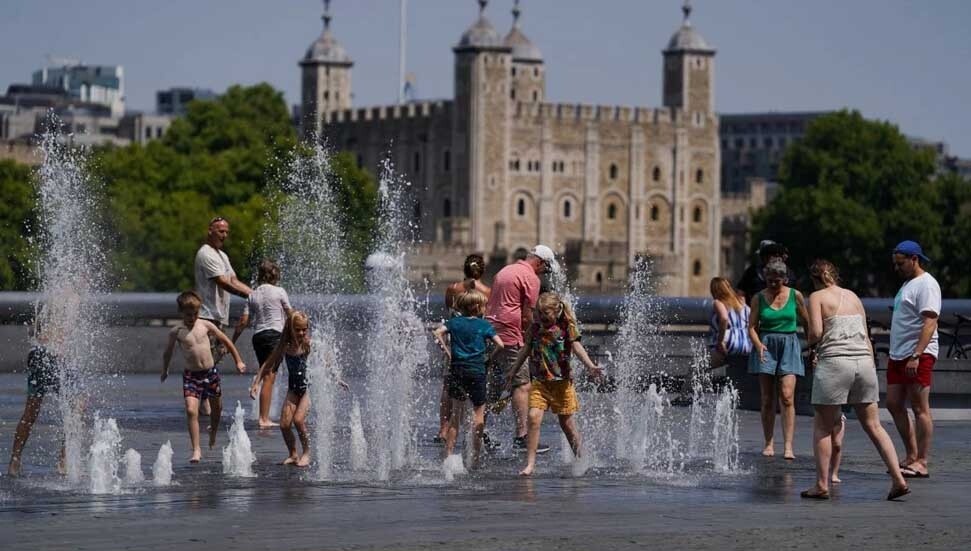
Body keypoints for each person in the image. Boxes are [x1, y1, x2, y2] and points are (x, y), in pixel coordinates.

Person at [801, 259, 910, 501]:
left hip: (835, 363)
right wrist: (869, 363)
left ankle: (821, 485)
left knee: (823, 426)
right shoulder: (853, 296)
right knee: (874, 425)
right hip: (864, 363)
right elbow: (866, 333)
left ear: (815, 279)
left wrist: (807, 343)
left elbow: (817, 333)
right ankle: (898, 479)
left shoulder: (817, 297)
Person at [508, 292, 604, 476]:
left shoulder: (567, 327)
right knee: (534, 418)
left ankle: (581, 458)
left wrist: (591, 366)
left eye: (546, 314)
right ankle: (530, 464)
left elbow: (577, 347)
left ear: (556, 311)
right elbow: (526, 349)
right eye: (540, 314)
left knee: (566, 424)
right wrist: (513, 370)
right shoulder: (535, 328)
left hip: (562, 384)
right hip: (540, 383)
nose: (542, 318)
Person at [250, 310, 348, 467]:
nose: (302, 333)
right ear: (290, 328)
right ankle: (293, 454)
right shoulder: (285, 346)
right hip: (293, 389)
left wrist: (337, 378)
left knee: (298, 420)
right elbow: (268, 363)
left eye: (304, 329)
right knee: (284, 424)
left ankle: (307, 453)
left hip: (307, 389)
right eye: (298, 329)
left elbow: (326, 361)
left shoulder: (308, 344)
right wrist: (256, 382)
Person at [485, 245, 556, 453]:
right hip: (510, 335)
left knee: (490, 386)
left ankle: (479, 432)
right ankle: (521, 437)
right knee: (522, 384)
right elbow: (527, 315)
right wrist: (531, 339)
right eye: (545, 268)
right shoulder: (531, 278)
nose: (545, 272)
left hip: (490, 331)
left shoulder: (505, 271)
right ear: (540, 262)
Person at [162, 291, 247, 463]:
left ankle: (213, 431)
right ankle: (196, 450)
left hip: (210, 373)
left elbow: (226, 340)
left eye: (195, 314)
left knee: (217, 409)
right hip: (191, 376)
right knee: (191, 410)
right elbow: (167, 352)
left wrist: (238, 360)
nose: (192, 318)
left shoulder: (206, 325)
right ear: (181, 312)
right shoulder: (177, 331)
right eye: (188, 315)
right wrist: (165, 369)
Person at [885, 240, 941, 479]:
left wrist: (917, 354)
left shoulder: (927, 284)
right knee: (894, 403)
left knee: (920, 408)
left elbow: (930, 322)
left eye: (901, 264)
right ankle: (911, 455)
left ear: (914, 259)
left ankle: (922, 461)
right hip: (898, 353)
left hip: (918, 354)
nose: (897, 268)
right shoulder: (908, 284)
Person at [432, 290, 504, 469]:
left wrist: (448, 353)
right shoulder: (484, 325)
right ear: (477, 307)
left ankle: (448, 456)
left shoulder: (454, 323)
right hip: (477, 371)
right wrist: (490, 358)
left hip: (457, 370)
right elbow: (500, 344)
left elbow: (437, 333)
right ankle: (475, 459)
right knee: (478, 414)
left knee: (456, 414)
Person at [747, 258, 809, 460]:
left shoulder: (795, 296)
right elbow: (751, 327)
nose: (772, 284)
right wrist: (758, 345)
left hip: (789, 344)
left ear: (784, 279)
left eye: (776, 281)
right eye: (769, 280)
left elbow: (806, 321)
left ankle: (788, 446)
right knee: (767, 399)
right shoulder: (759, 298)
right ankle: (769, 442)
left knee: (787, 395)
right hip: (766, 345)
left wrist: (813, 346)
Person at [435, 254, 492, 443]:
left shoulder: (452, 289)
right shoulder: (488, 292)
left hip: (455, 343)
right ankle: (477, 429)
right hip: (477, 345)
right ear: (482, 270)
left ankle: (444, 429)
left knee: (448, 385)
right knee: (479, 388)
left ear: (464, 269)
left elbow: (449, 313)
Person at [232, 260, 292, 429]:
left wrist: (232, 341)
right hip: (275, 335)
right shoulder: (279, 291)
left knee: (266, 374)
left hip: (258, 336)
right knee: (270, 377)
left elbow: (243, 321)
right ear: (275, 275)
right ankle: (264, 418)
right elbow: (290, 314)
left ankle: (263, 412)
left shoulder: (252, 294)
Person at [7, 319, 65, 477]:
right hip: (52, 354)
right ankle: (63, 462)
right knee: (75, 408)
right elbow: (42, 325)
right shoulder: (67, 296)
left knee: (32, 411)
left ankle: (15, 459)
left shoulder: (63, 297)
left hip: (42, 353)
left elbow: (37, 326)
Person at [194, 216, 252, 362]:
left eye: (226, 232)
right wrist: (249, 296)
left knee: (216, 360)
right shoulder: (206, 253)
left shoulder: (222, 256)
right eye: (221, 231)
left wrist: (255, 294)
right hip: (207, 317)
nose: (224, 235)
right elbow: (223, 282)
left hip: (219, 317)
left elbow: (233, 280)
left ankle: (212, 385)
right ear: (210, 231)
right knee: (206, 361)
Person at [708, 277, 752, 368]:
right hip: (745, 345)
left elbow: (724, 318)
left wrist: (720, 341)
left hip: (728, 343)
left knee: (696, 368)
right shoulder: (741, 301)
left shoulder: (718, 302)